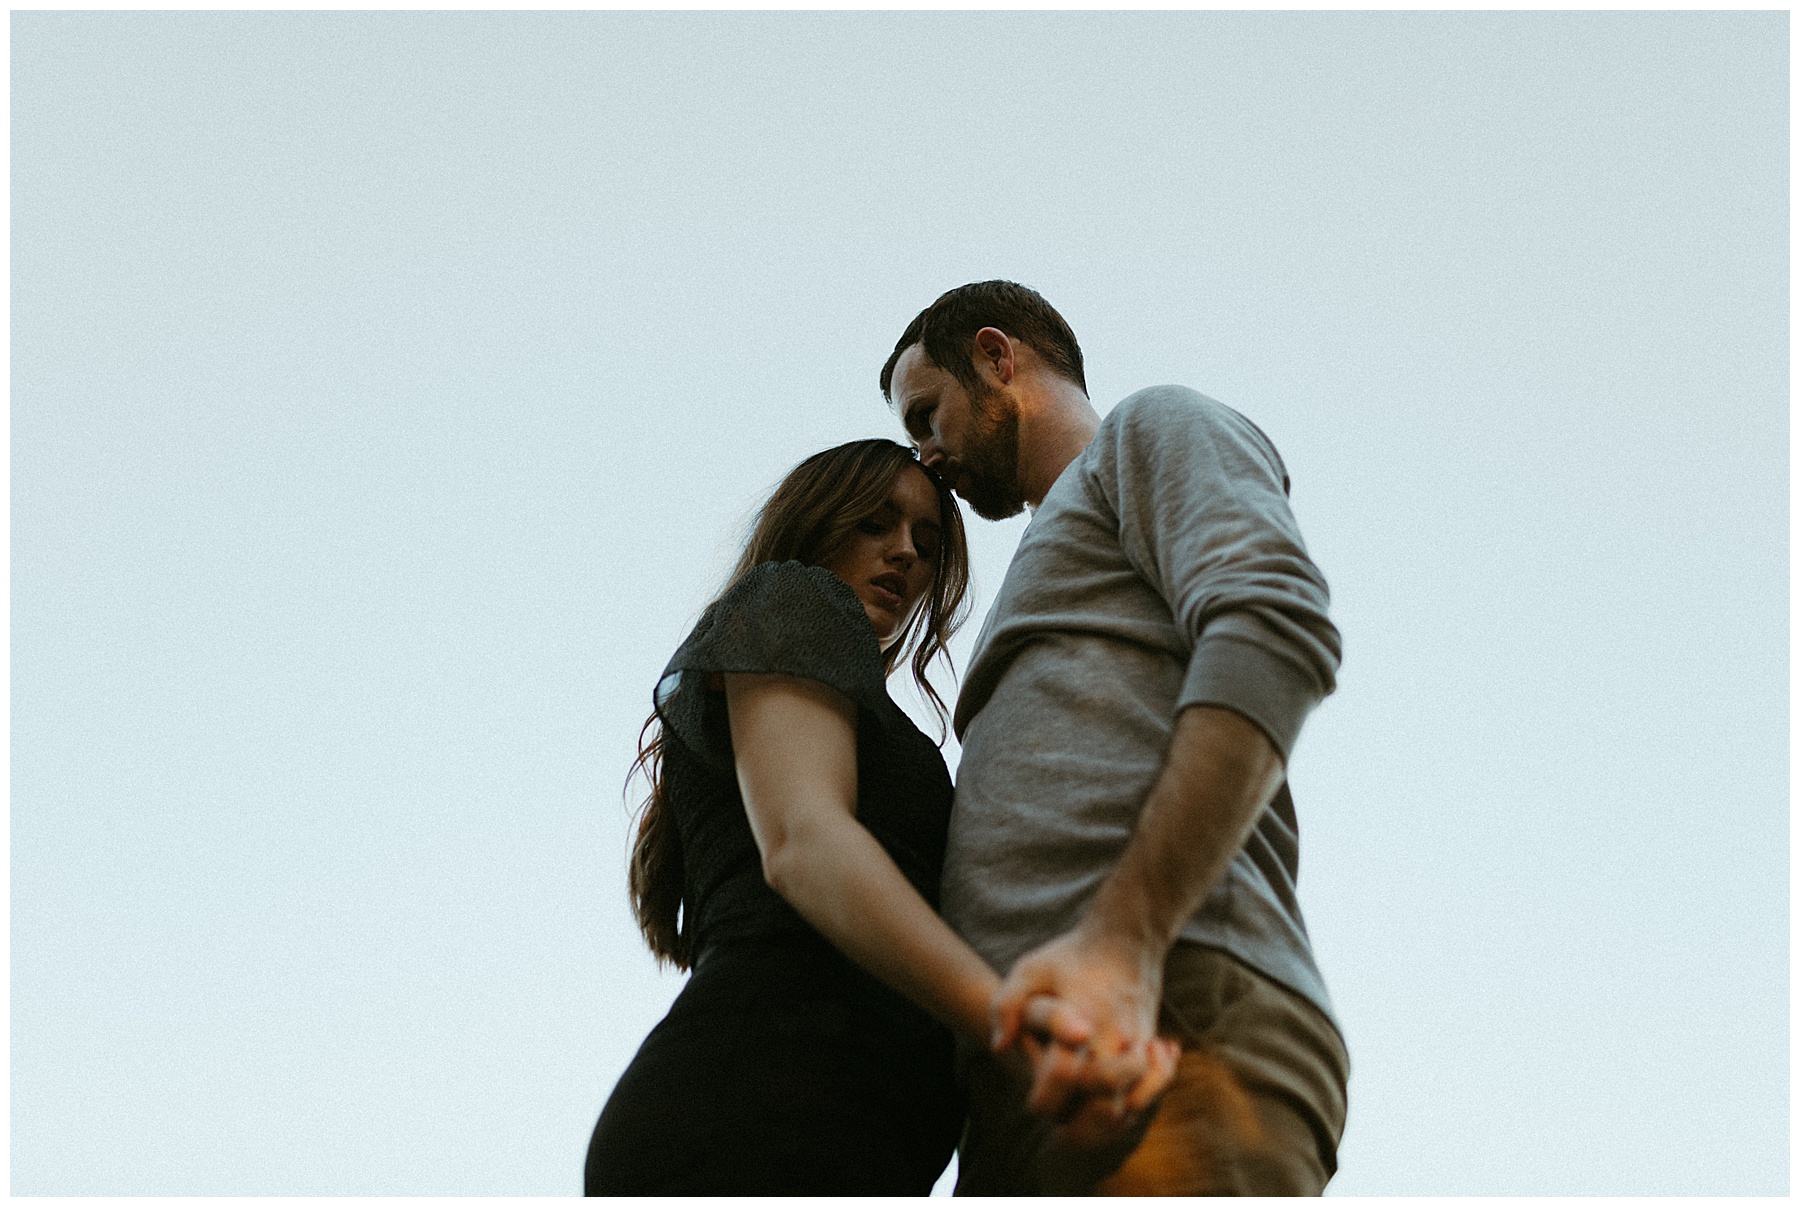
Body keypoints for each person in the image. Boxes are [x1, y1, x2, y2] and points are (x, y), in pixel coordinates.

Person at [583, 438, 1159, 1195]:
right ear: (817, 520)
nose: (905, 554)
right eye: (875, 523)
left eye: (926, 540)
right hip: (760, 1112)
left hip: (855, 1135)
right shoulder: (792, 597)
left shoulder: (868, 714)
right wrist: (1012, 1024)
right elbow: (804, 843)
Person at [880, 281, 1350, 1195]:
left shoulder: (1149, 432)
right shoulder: (1058, 549)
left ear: (994, 355)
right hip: (1047, 1064)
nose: (926, 457)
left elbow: (1272, 623)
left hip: (1171, 1019)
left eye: (927, 416)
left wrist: (1122, 943)